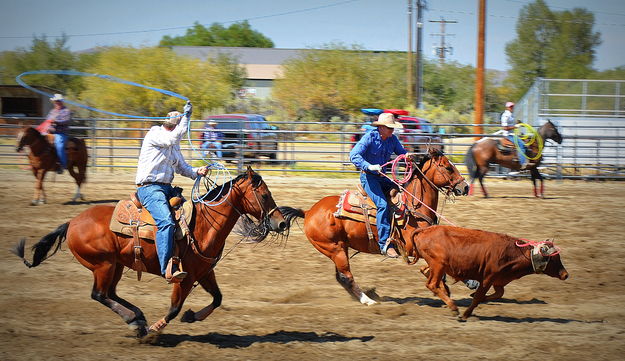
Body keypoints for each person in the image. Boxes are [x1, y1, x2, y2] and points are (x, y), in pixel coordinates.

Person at [135, 101, 209, 283]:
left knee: (191, 218)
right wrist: (187, 117)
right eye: (175, 115)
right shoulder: (155, 134)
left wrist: (196, 172)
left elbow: (182, 167)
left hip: (167, 188)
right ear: (167, 120)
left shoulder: (174, 145)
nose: (177, 117)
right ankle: (166, 267)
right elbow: (172, 138)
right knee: (166, 223)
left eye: (179, 115)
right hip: (150, 188)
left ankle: (188, 258)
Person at [350, 112, 407, 258]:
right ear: (381, 127)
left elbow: (401, 153)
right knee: (382, 204)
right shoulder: (369, 137)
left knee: (401, 191)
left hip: (382, 177)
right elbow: (354, 155)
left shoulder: (392, 139)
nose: (392, 130)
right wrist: (368, 166)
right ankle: (384, 244)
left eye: (392, 128)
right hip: (368, 177)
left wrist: (408, 156)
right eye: (389, 127)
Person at [38, 94, 71, 174]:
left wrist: (55, 121)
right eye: (56, 101)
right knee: (39, 141)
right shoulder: (52, 111)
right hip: (50, 132)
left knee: (59, 145)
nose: (57, 102)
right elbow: (47, 120)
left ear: (61, 101)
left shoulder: (66, 111)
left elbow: (66, 121)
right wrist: (47, 127)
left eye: (58, 101)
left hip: (61, 133)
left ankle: (63, 165)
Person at [500, 101, 530, 169]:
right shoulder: (505, 115)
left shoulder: (510, 114)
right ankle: (522, 164)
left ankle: (518, 158)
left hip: (512, 134)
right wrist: (515, 126)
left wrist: (518, 123)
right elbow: (505, 128)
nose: (512, 108)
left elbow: (511, 124)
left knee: (525, 140)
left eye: (512, 106)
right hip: (508, 135)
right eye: (511, 107)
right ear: (507, 107)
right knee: (522, 145)